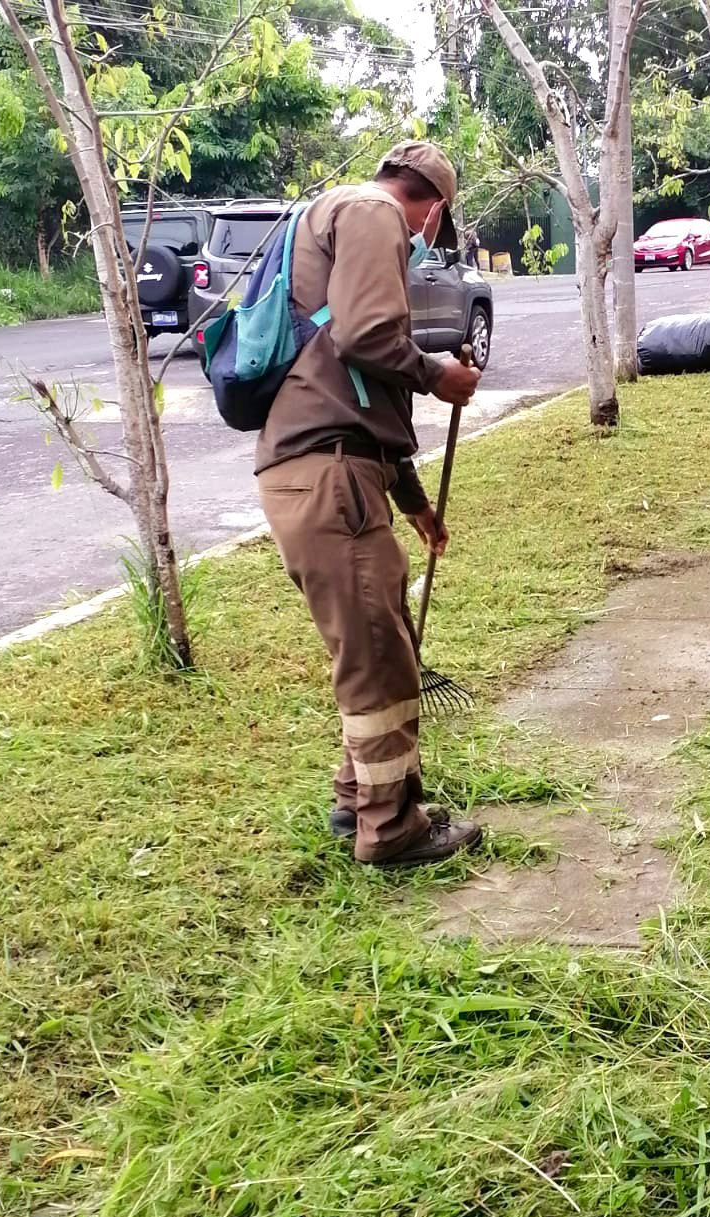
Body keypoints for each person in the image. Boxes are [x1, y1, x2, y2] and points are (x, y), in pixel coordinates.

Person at [255, 141, 483, 867]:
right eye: (432, 228)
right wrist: (436, 374)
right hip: (331, 478)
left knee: (372, 646)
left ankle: (356, 798)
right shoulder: (376, 213)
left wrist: (412, 497)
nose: (423, 242)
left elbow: (359, 387)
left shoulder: (331, 213)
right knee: (382, 658)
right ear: (432, 205)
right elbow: (366, 339)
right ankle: (390, 830)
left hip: (331, 473)